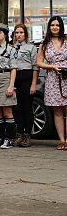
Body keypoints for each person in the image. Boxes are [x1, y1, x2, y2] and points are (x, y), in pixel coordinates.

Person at [37, 16, 67, 150]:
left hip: (66, 77)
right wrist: (52, 67)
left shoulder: (66, 41)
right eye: (52, 25)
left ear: (61, 27)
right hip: (53, 78)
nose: (55, 27)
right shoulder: (44, 43)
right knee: (57, 111)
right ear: (49, 27)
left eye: (58, 25)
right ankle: (62, 140)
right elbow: (39, 62)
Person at [12, 24, 38, 147]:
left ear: (25, 34)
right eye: (17, 33)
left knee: (27, 107)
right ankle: (19, 133)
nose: (19, 35)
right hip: (14, 77)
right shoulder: (12, 48)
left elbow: (35, 67)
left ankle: (27, 134)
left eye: (21, 32)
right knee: (17, 108)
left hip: (26, 77)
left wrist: (33, 84)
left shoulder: (31, 47)